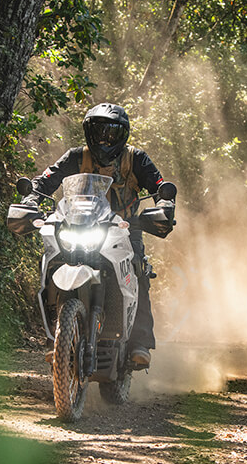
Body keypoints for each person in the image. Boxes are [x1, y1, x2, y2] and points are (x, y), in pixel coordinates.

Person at [23, 102, 173, 367]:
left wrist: (164, 205)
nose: (104, 139)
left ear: (123, 135)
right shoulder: (75, 157)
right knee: (51, 261)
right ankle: (56, 337)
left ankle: (140, 342)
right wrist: (32, 198)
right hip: (79, 227)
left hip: (124, 231)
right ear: (88, 133)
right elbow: (45, 180)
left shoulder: (136, 159)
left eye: (111, 133)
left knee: (138, 271)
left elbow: (160, 187)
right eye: (98, 132)